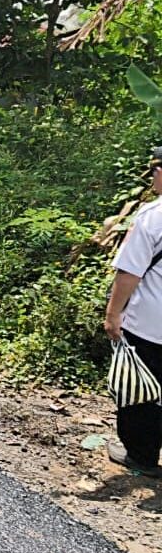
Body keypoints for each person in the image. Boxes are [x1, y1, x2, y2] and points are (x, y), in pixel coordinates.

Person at [104, 146, 162, 474]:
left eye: (156, 169)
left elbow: (129, 272)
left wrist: (113, 314)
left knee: (139, 391)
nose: (153, 175)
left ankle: (141, 456)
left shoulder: (153, 216)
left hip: (150, 326)